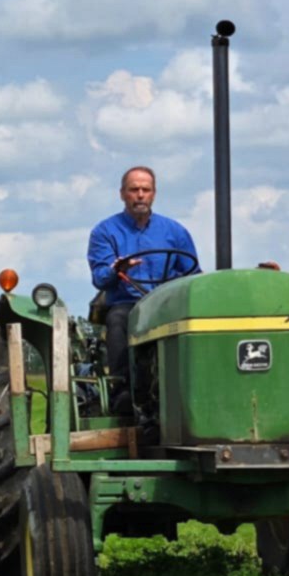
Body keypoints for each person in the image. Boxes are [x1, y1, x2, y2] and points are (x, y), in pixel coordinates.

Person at [87, 166, 199, 414]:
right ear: (122, 194)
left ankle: (195, 384)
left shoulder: (175, 231)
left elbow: (193, 275)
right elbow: (99, 277)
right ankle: (122, 390)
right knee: (117, 318)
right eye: (134, 189)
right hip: (129, 303)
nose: (140, 195)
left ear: (154, 194)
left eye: (145, 190)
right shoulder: (105, 232)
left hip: (169, 304)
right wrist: (117, 269)